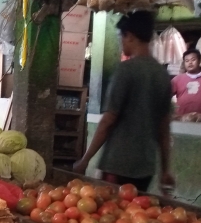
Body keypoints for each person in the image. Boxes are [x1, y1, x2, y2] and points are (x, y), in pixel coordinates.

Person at [73, 11, 174, 193]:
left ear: (130, 36)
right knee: (135, 215)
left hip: (118, 164)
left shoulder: (126, 71)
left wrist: (85, 159)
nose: (121, 42)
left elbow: (108, 121)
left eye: (121, 37)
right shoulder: (162, 75)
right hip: (146, 168)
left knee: (113, 214)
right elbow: (164, 129)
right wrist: (165, 170)